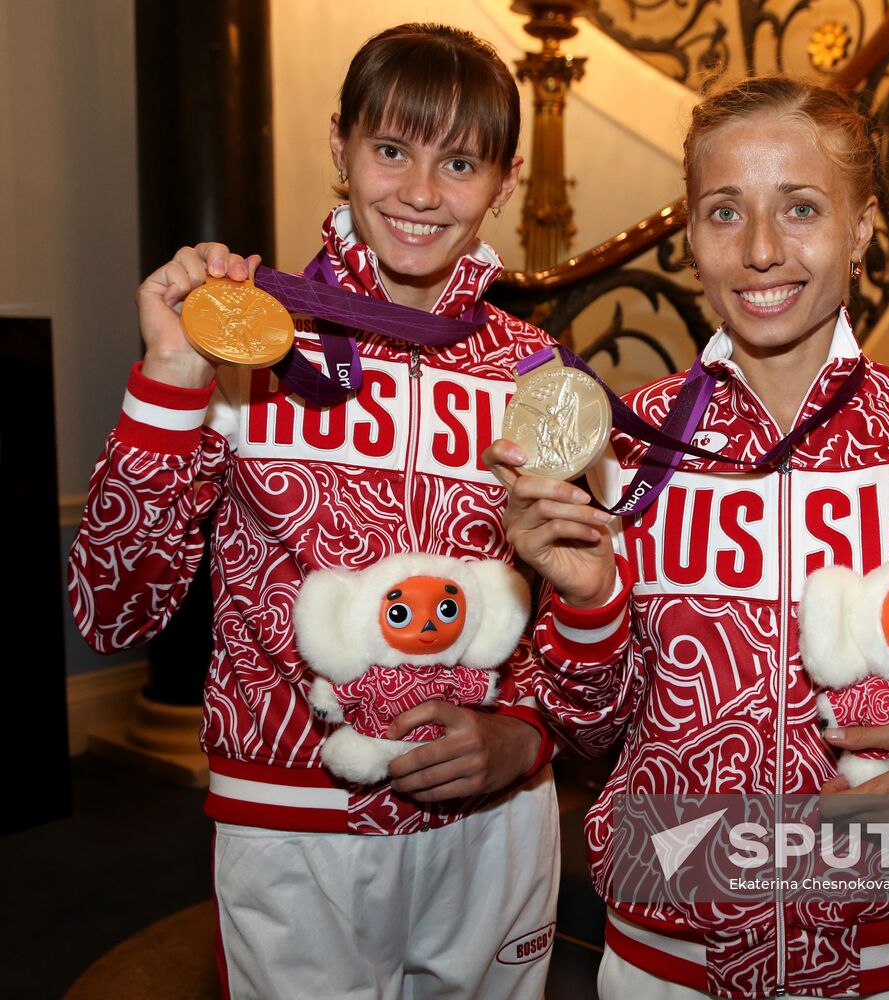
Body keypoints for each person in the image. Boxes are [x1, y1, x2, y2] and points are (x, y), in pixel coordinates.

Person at [488, 76, 889, 999]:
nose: (760, 251)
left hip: (887, 960)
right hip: (663, 958)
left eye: (800, 207)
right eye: (725, 212)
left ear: (862, 229)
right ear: (689, 237)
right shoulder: (624, 445)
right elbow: (586, 722)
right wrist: (589, 601)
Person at [69, 23, 560, 1000]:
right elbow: (112, 610)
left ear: (505, 179)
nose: (421, 194)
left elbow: (576, 597)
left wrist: (526, 732)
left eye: (459, 161)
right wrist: (171, 373)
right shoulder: (252, 334)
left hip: (493, 815)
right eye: (391, 149)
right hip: (293, 820)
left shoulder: (537, 371)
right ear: (339, 145)